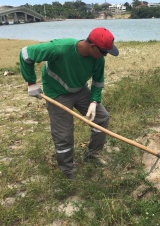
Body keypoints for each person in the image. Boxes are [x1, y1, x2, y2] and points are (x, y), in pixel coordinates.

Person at [19, 27, 119, 179]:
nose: (105, 55)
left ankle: (93, 154)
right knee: (64, 135)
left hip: (80, 90)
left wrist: (94, 101)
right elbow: (25, 53)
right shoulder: (60, 48)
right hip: (57, 94)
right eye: (104, 51)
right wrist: (31, 83)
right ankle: (67, 170)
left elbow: (98, 82)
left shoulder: (98, 60)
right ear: (92, 47)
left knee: (101, 118)